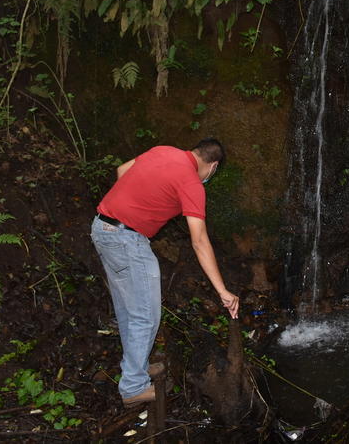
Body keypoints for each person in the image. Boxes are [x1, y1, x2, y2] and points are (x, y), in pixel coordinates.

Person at [90, 137, 240, 406]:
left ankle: (135, 368)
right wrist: (222, 290)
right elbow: (199, 240)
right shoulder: (192, 183)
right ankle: (133, 387)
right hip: (127, 240)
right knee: (145, 315)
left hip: (102, 228)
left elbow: (122, 171)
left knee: (129, 310)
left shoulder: (163, 151)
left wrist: (138, 200)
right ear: (213, 166)